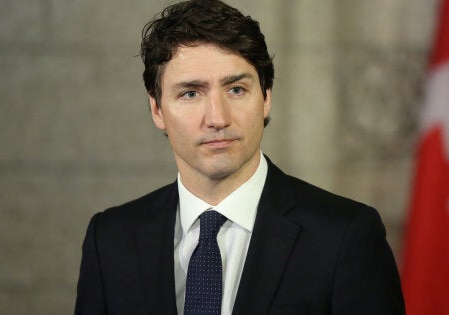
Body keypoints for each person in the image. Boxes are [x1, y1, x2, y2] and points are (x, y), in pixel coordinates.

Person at [75, 0, 405, 314]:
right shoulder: (110, 240)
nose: (218, 118)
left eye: (236, 89)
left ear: (265, 98)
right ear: (157, 109)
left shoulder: (346, 235)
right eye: (191, 93)